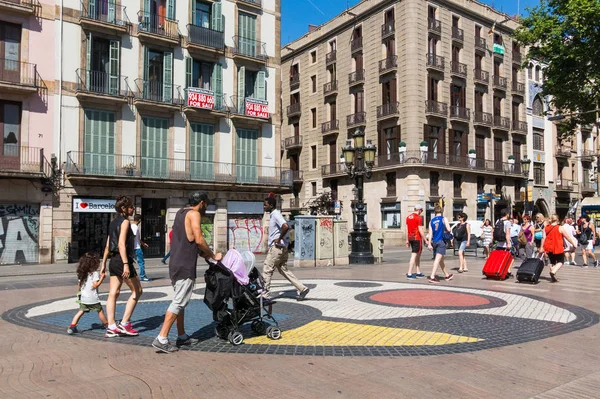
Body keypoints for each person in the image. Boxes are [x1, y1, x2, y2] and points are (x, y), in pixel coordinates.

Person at [153, 191, 222, 353]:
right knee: (178, 302)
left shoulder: (180, 213)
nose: (206, 207)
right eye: (206, 204)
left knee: (180, 301)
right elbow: (198, 239)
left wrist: (203, 254)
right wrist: (213, 255)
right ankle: (161, 338)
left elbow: (188, 239)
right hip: (185, 265)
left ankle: (182, 336)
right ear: (202, 203)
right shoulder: (194, 214)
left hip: (175, 264)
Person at [100, 196, 143, 338]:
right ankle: (125, 323)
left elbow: (107, 245)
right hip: (122, 260)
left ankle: (111, 326)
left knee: (113, 293)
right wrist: (126, 264)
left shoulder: (113, 223)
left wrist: (103, 264)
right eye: (130, 207)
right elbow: (120, 244)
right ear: (123, 209)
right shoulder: (125, 222)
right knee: (137, 291)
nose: (133, 209)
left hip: (113, 260)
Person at [262, 194, 310, 301]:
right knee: (283, 270)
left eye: (265, 205)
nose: (264, 207)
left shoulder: (275, 214)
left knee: (267, 269)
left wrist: (278, 239)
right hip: (282, 248)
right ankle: (302, 288)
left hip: (276, 248)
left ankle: (264, 294)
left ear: (271, 205)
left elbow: (285, 226)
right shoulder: (273, 214)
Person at [68, 253, 108, 334]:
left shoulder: (82, 273)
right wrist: (102, 278)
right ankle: (107, 325)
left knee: (81, 311)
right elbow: (95, 285)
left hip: (84, 297)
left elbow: (79, 285)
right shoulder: (94, 273)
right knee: (100, 311)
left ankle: (72, 326)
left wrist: (79, 293)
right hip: (92, 298)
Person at [540, 214, 577, 282]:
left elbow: (543, 238)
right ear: (557, 220)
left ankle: (554, 276)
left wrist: (541, 247)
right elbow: (567, 237)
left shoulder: (546, 228)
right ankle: (553, 271)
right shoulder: (560, 228)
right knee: (561, 261)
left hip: (549, 247)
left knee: (552, 262)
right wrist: (573, 243)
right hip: (557, 247)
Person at [426, 205, 454, 283]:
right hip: (441, 241)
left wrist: (429, 244)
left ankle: (447, 275)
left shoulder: (431, 221)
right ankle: (432, 276)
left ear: (434, 212)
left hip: (434, 242)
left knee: (441, 260)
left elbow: (430, 233)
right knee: (437, 259)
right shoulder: (443, 219)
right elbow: (449, 229)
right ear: (441, 212)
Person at [405, 204, 426, 279]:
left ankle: (418, 271)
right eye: (421, 210)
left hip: (411, 238)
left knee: (417, 255)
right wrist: (425, 239)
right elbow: (420, 229)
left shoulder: (408, 217)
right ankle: (410, 273)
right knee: (414, 255)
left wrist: (407, 239)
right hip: (417, 238)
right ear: (419, 210)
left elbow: (406, 229)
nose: (421, 212)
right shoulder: (418, 218)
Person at [131, 215, 150, 282]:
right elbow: (132, 237)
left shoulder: (131, 226)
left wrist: (143, 243)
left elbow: (137, 238)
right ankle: (142, 276)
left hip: (135, 247)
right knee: (141, 262)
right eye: (140, 220)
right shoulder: (135, 227)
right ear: (139, 220)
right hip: (136, 248)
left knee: (131, 262)